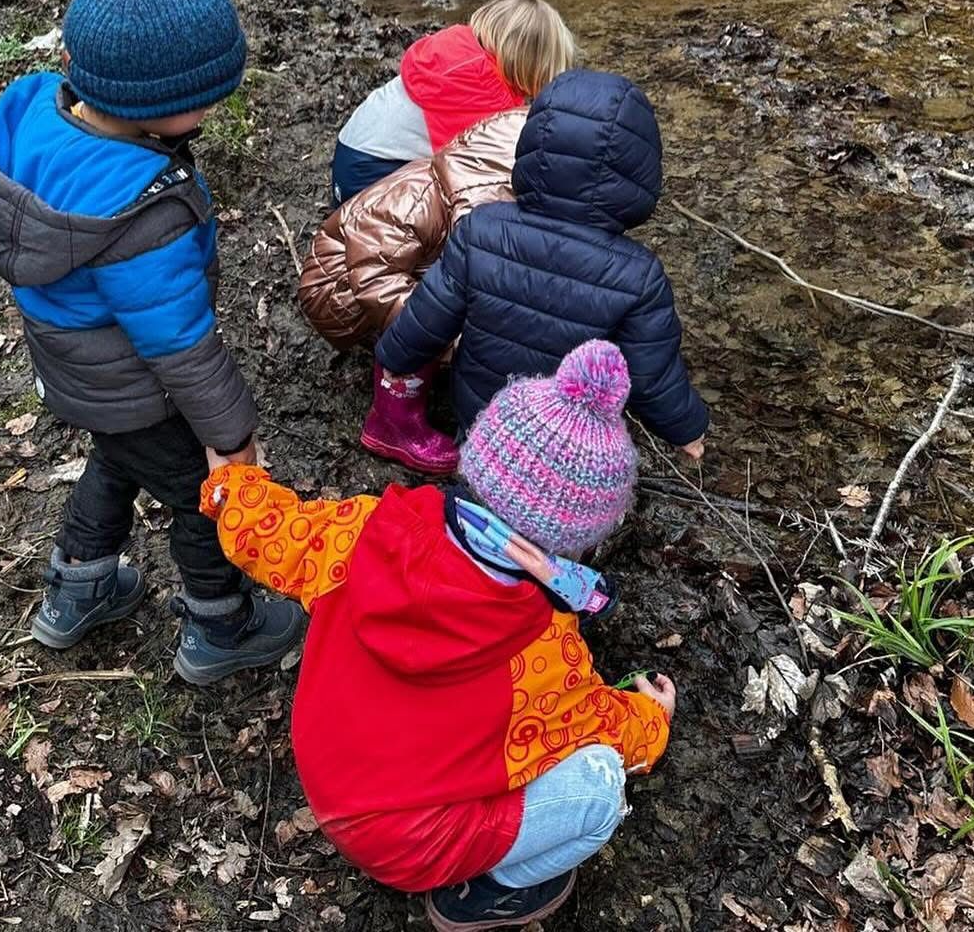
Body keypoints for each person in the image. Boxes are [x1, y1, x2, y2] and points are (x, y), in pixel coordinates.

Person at [201, 342, 675, 931]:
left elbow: (274, 531)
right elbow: (597, 725)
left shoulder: (368, 526)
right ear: (580, 535)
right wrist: (651, 717)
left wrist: (234, 487)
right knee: (601, 787)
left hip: (329, 770)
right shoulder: (539, 645)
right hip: (403, 841)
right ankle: (481, 895)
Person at [0, 0, 304, 684]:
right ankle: (222, 627)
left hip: (71, 361)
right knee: (200, 494)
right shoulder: (140, 210)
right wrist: (231, 435)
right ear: (156, 105)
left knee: (117, 457)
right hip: (134, 378)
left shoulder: (33, 116)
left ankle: (78, 590)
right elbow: (180, 343)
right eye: (203, 103)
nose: (212, 114)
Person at [376, 68, 709, 459]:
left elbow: (429, 317)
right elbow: (652, 377)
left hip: (483, 415)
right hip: (568, 438)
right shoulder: (638, 275)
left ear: (532, 147)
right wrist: (689, 429)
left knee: (481, 459)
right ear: (640, 172)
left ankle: (479, 481)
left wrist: (395, 357)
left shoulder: (481, 229)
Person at [300, 106, 525, 475]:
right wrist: (442, 335)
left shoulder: (455, 185)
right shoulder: (418, 198)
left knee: (445, 296)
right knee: (428, 315)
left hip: (378, 273)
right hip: (337, 288)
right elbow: (376, 277)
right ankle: (392, 424)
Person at [329, 0, 576, 206]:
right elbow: (491, 169)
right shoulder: (485, 92)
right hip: (370, 182)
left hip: (350, 156)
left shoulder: (461, 51)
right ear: (533, 65)